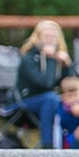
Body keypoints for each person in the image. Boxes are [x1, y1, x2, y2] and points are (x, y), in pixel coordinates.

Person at [13, 20, 73, 148]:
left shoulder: (58, 59)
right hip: (24, 103)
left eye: (53, 37)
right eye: (46, 37)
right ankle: (48, 147)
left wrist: (67, 65)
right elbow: (45, 84)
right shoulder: (29, 58)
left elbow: (71, 85)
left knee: (73, 100)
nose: (50, 40)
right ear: (37, 38)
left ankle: (77, 145)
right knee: (50, 99)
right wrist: (50, 59)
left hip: (50, 103)